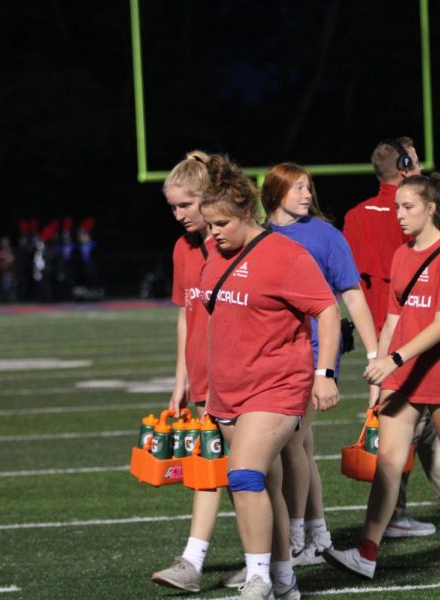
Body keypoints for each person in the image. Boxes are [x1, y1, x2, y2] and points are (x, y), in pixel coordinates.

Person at [325, 172, 440, 577]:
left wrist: (395, 360)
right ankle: (367, 553)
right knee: (388, 462)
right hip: (404, 374)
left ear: (431, 208)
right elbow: (391, 319)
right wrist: (381, 369)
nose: (399, 215)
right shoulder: (402, 255)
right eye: (397, 207)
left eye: (408, 207)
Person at [200, 154, 340, 599]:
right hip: (228, 389)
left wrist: (325, 373)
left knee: (244, 476)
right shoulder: (211, 252)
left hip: (277, 385)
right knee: (267, 484)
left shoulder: (284, 254)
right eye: (208, 224)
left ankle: (256, 576)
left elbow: (328, 309)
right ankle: (284, 579)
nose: (213, 232)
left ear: (247, 212)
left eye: (221, 223)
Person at [343, 137, 440, 537]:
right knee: (420, 428)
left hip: (382, 335)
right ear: (403, 166)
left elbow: (352, 284)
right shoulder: (416, 211)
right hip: (415, 334)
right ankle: (418, 513)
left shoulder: (355, 216)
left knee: (417, 428)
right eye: (413, 162)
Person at [261, 163, 378, 566]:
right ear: (275, 192)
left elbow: (353, 295)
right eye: (297, 188)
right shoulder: (260, 235)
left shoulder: (326, 235)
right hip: (273, 354)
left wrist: (374, 351)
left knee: (291, 440)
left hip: (314, 354)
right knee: (302, 446)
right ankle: (317, 534)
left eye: (308, 187)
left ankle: (295, 536)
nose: (307, 194)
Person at [152, 151, 247, 593]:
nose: (177, 215)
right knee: (212, 468)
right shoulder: (182, 248)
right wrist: (181, 378)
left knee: (256, 476)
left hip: (246, 377)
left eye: (185, 205)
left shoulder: (232, 242)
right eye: (172, 207)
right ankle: (198, 562)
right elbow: (187, 316)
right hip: (206, 378)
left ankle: (273, 560)